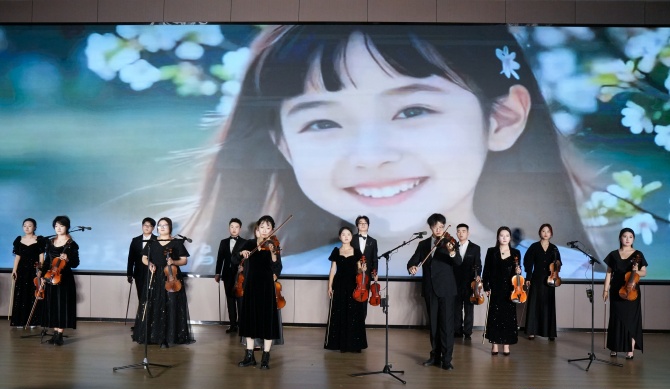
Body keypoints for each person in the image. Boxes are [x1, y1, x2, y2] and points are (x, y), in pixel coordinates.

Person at [180, 24, 592, 278]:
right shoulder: (281, 276)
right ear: (284, 145)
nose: (370, 155)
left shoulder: (564, 274)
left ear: (502, 119)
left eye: (413, 110)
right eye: (322, 123)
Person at [407, 213, 462, 370]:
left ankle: (447, 359)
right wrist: (412, 267)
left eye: (441, 227)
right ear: (430, 227)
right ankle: (435, 356)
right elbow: (413, 261)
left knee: (447, 326)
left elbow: (458, 262)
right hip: (430, 289)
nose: (439, 230)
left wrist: (452, 252)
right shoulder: (424, 244)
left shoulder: (450, 242)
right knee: (433, 326)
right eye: (436, 227)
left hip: (446, 290)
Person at [132, 217, 194, 348]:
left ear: (170, 227)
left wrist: (173, 262)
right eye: (160, 225)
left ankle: (168, 337)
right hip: (155, 277)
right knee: (155, 305)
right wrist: (149, 264)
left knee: (170, 305)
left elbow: (184, 260)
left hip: (171, 277)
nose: (162, 227)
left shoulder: (176, 243)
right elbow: (144, 258)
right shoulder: (152, 242)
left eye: (165, 225)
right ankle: (154, 336)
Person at [235, 215, 283, 370]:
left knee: (267, 321)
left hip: (266, 287)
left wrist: (273, 253)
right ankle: (249, 356)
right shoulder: (249, 244)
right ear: (257, 229)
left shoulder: (273, 245)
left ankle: (265, 358)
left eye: (268, 228)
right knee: (250, 320)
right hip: (251, 286)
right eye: (262, 227)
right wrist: (242, 253)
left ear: (272, 230)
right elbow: (235, 258)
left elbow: (277, 267)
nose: (264, 230)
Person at [603, 228, 648, 360]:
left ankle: (630, 350)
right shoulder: (613, 254)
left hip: (632, 291)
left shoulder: (638, 254)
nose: (627, 239)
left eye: (630, 237)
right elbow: (609, 273)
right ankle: (614, 347)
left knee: (631, 320)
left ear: (633, 239)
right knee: (616, 319)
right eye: (625, 236)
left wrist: (636, 271)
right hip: (616, 290)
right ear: (620, 238)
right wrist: (605, 289)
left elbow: (644, 272)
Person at [324, 226, 368, 353]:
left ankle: (354, 344)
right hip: (339, 284)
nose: (346, 236)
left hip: (353, 285)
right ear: (340, 237)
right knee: (339, 312)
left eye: (348, 234)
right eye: (343, 234)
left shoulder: (357, 251)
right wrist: (329, 286)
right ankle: (340, 344)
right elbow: (332, 270)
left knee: (354, 313)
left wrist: (362, 269)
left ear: (351, 237)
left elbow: (358, 269)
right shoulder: (336, 251)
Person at [39, 216, 79, 346]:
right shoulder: (50, 242)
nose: (58, 228)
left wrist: (67, 259)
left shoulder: (71, 244)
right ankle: (54, 334)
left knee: (62, 306)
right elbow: (47, 261)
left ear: (67, 227)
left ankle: (60, 336)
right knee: (53, 305)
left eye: (61, 226)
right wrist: (43, 275)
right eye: (56, 226)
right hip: (51, 277)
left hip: (64, 278)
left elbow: (76, 263)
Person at [483, 226, 521, 356]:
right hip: (495, 288)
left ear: (510, 238)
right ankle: (494, 345)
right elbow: (486, 270)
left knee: (508, 317)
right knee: (495, 316)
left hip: (510, 289)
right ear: (498, 237)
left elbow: (517, 272)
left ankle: (506, 345)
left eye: (507, 236)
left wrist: (518, 271)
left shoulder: (516, 253)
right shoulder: (491, 251)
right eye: (501, 235)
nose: (504, 238)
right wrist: (486, 287)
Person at [523, 223, 561, 341]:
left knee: (548, 304)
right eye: (543, 231)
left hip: (550, 279)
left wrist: (557, 264)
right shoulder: (534, 246)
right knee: (534, 304)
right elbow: (528, 262)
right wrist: (528, 277)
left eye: (548, 231)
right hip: (536, 278)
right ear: (540, 232)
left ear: (551, 234)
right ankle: (531, 331)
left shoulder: (554, 248)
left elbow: (559, 263)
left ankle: (550, 332)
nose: (545, 233)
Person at [10, 218, 45, 328]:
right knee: (20, 294)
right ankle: (19, 321)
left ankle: (33, 321)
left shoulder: (39, 240)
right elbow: (17, 257)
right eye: (25, 226)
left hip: (34, 270)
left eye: (30, 226)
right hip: (21, 270)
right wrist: (14, 270)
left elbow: (41, 257)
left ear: (35, 227)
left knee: (32, 294)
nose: (27, 228)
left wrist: (40, 270)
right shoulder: (19, 240)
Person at [214, 218, 247, 333]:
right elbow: (220, 259)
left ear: (240, 229)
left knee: (240, 300)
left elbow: (247, 259)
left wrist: (244, 269)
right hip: (227, 274)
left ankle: (242, 326)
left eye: (236, 227)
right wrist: (217, 273)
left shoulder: (245, 242)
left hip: (240, 275)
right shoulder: (223, 242)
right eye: (232, 227)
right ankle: (233, 325)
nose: (234, 229)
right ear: (229, 228)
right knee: (230, 300)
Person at [453, 223, 482, 341]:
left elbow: (478, 264)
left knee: (469, 309)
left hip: (470, 283)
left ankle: (468, 332)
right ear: (456, 233)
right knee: (456, 308)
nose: (461, 233)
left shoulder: (475, 248)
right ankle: (457, 331)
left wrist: (478, 275)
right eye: (458, 231)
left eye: (463, 231)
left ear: (468, 233)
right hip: (455, 282)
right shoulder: (453, 246)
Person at [126, 217, 156, 303]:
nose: (147, 227)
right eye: (145, 225)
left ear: (153, 228)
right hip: (139, 272)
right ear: (142, 226)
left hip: (153, 271)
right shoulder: (135, 240)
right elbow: (131, 258)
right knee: (141, 295)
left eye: (149, 226)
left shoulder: (157, 240)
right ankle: (142, 311)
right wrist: (129, 274)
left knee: (153, 296)